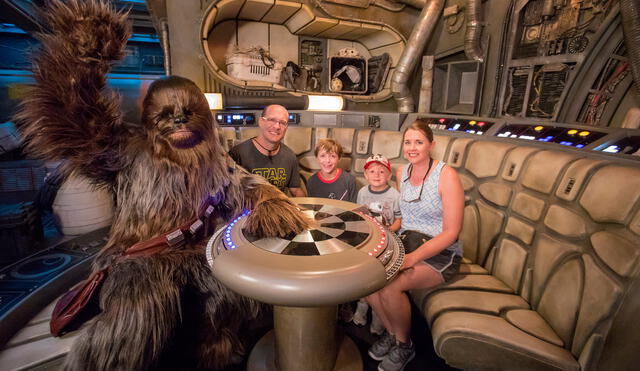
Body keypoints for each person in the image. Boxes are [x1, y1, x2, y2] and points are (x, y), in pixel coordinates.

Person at [367, 118, 464, 371]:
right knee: (368, 282)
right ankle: (393, 333)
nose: (412, 147)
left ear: (431, 144)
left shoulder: (447, 176)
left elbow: (451, 233)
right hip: (407, 242)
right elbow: (406, 218)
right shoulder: (402, 173)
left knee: (390, 288)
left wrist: (410, 259)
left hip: (440, 252)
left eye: (418, 142)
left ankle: (405, 346)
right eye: (408, 142)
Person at [352, 154, 402, 333]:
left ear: (389, 175)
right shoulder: (362, 192)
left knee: (381, 278)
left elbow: (399, 218)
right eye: (372, 171)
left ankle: (378, 316)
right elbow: (360, 215)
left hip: (387, 240)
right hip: (368, 241)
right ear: (366, 175)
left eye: (382, 171)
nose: (377, 175)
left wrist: (390, 231)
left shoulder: (394, 195)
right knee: (365, 275)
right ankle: (362, 306)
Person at [229, 104, 305, 197]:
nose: (277, 126)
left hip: (279, 209)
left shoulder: (289, 156)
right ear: (261, 122)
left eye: (283, 123)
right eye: (272, 120)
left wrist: (306, 208)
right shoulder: (237, 154)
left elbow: (296, 190)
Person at [305, 138, 357, 202]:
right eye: (322, 156)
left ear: (339, 158)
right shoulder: (311, 181)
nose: (327, 160)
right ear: (317, 158)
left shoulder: (349, 181)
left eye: (332, 156)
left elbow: (354, 208)